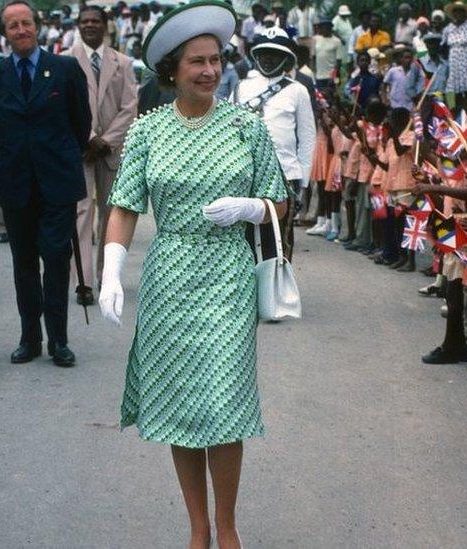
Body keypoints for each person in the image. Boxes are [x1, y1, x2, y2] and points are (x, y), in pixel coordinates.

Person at [97, 4, 288, 548]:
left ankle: (227, 529)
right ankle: (197, 529)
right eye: (196, 62)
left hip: (228, 276)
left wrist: (250, 209)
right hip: (171, 278)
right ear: (173, 70)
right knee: (182, 403)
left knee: (224, 401)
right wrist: (112, 271)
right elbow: (125, 205)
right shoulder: (148, 130)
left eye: (215, 59)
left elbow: (281, 200)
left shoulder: (245, 126)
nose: (208, 70)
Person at [0, 0, 92, 367]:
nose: (21, 30)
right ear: (4, 33)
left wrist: (58, 158)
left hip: (57, 182)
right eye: (13, 26)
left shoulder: (64, 68)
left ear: (37, 27)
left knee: (56, 260)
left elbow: (80, 123)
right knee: (23, 262)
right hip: (16, 184)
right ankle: (30, 339)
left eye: (26, 23)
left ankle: (59, 340)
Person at [64, 4, 137, 306]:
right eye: (85, 21)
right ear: (78, 26)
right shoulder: (65, 61)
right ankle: (83, 282)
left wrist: (106, 140)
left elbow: (130, 106)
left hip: (110, 151)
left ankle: (107, 275)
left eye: (95, 21)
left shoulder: (122, 62)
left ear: (105, 26)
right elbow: (64, 106)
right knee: (81, 214)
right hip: (80, 149)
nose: (90, 25)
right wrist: (89, 137)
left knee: (111, 214)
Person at [235, 26, 314, 261]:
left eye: (276, 54)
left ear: (287, 58)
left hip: (284, 176)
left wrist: (304, 179)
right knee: (244, 236)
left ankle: (277, 293)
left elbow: (308, 137)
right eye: (264, 53)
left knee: (279, 240)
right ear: (256, 56)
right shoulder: (242, 87)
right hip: (245, 174)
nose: (269, 59)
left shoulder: (298, 91)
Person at [443, 1, 467, 110]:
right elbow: (444, 45)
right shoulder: (448, 29)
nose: (458, 14)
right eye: (456, 12)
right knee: (457, 86)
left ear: (465, 14)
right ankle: (458, 111)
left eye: (461, 12)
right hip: (454, 58)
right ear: (453, 14)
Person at [313, 18, 343, 92]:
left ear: (330, 28)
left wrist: (333, 76)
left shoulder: (337, 41)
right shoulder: (315, 39)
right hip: (319, 76)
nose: (323, 29)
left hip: (331, 76)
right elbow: (313, 58)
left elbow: (339, 61)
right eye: (321, 27)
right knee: (321, 98)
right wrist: (314, 72)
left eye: (325, 27)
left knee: (332, 96)